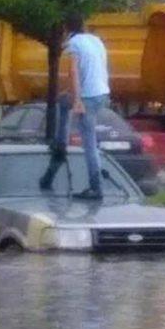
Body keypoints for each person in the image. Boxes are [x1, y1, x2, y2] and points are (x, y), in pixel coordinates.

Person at [40, 12, 110, 200]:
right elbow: (99, 67)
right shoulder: (95, 41)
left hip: (87, 96)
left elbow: (74, 72)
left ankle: (96, 187)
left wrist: (78, 99)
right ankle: (61, 144)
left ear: (66, 28)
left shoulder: (74, 44)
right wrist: (70, 95)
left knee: (89, 143)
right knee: (64, 102)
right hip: (102, 92)